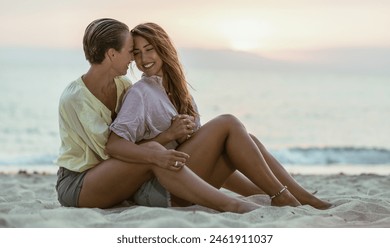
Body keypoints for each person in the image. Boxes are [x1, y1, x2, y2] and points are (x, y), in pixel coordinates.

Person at [108, 22, 332, 209]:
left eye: (149, 49)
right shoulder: (140, 93)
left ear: (163, 48)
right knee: (228, 122)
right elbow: (116, 145)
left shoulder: (178, 91)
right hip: (163, 189)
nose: (143, 58)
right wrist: (168, 135)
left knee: (246, 140)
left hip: (191, 183)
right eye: (137, 53)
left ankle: (299, 197)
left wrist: (257, 190)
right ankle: (282, 196)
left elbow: (212, 155)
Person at [55, 18, 261, 213]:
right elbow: (112, 151)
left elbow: (133, 144)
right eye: (131, 51)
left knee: (188, 150)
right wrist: (167, 137)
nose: (134, 59)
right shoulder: (76, 99)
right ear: (111, 54)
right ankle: (234, 206)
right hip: (80, 183)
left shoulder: (122, 85)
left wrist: (177, 139)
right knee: (154, 152)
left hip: (119, 176)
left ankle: (261, 193)